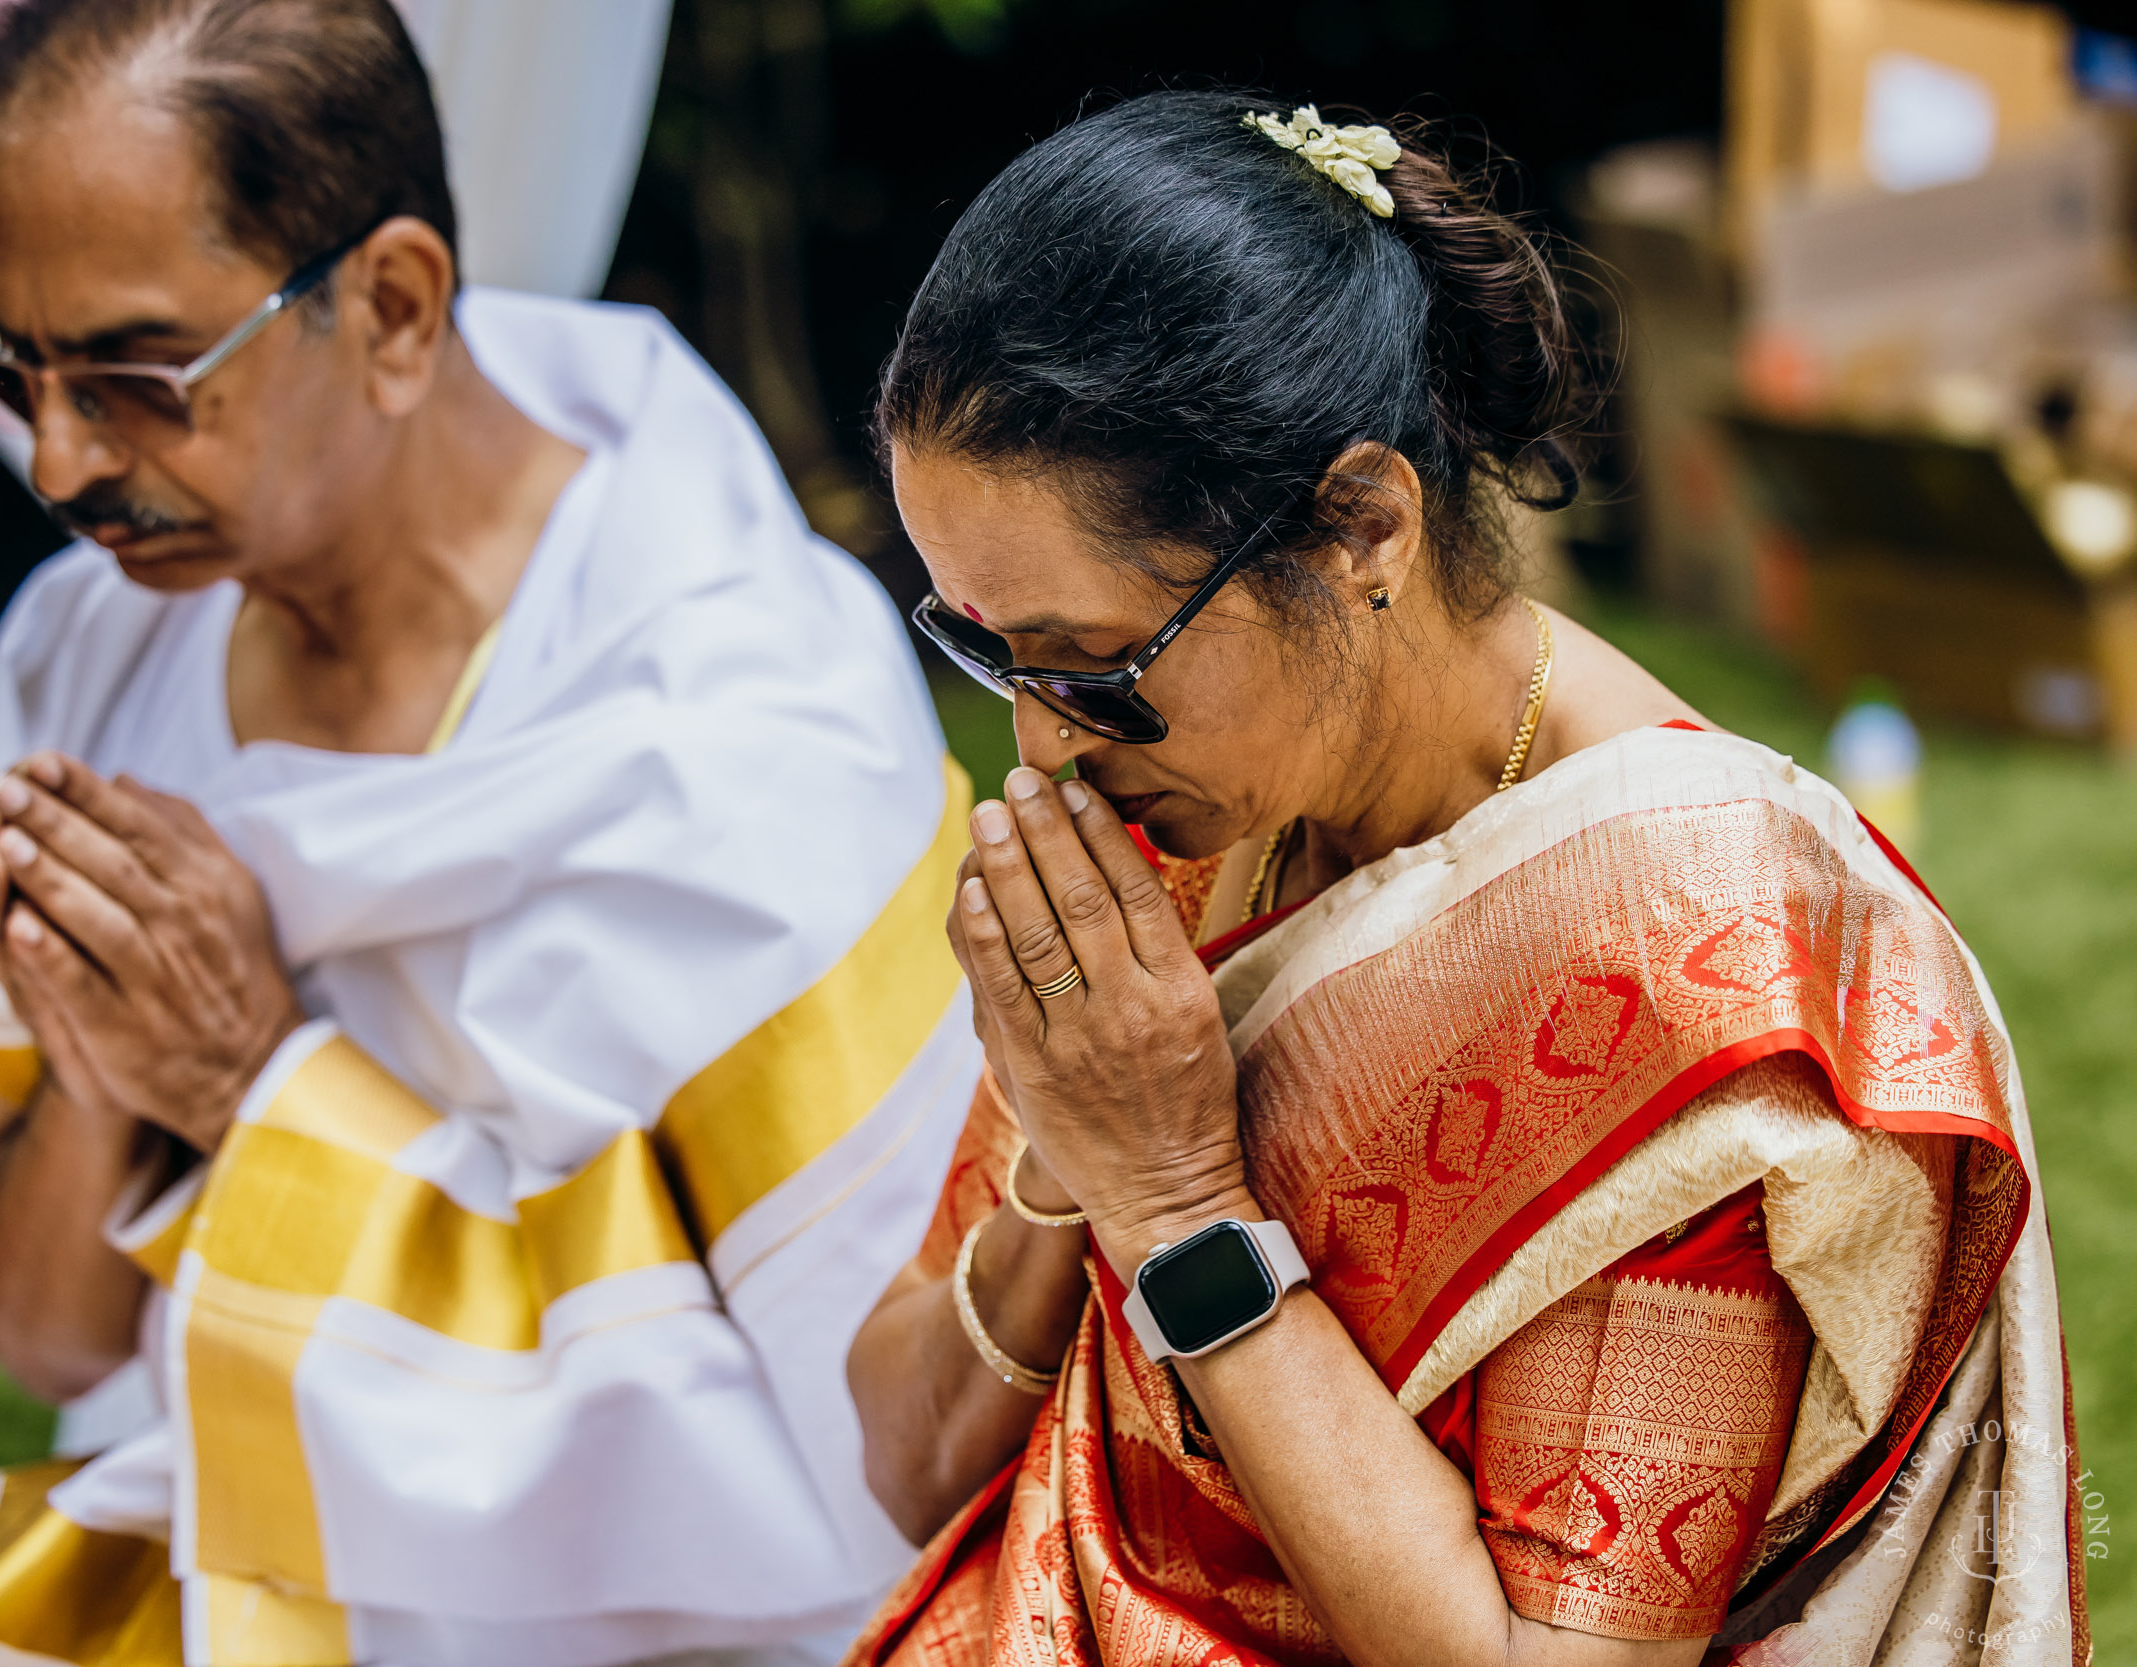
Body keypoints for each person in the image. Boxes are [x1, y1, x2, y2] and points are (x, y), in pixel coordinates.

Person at [0, 3, 977, 1664]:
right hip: (224, 1533)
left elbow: (867, 1450)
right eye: (10, 366)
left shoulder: (748, 722)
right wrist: (103, 1060)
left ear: (391, 308)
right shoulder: (85, 645)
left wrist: (252, 1088)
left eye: (137, 378)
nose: (58, 460)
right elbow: (41, 1337)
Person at [842, 91, 2084, 1666]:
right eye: (980, 647)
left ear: (1363, 526)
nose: (1043, 743)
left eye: (1095, 662)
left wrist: (1173, 1203)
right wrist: (1069, 1144)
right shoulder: (1177, 824)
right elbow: (903, 1456)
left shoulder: (1686, 967)